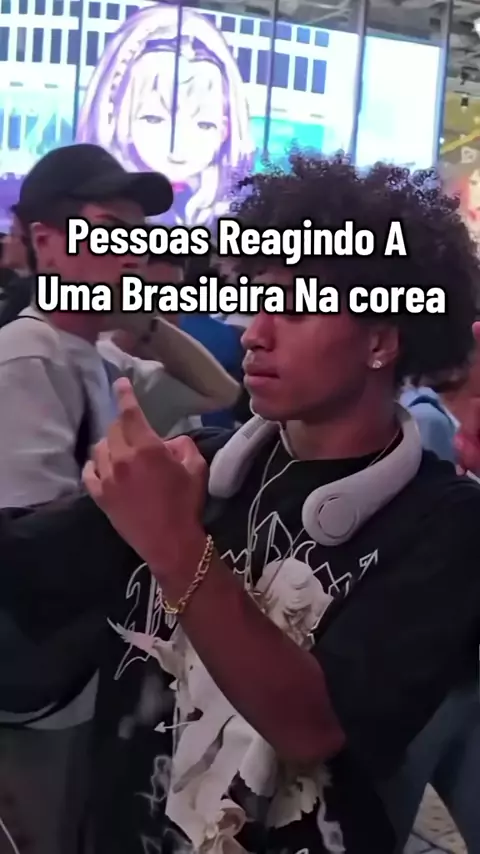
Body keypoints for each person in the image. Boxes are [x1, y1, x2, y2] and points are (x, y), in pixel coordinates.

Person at [3, 154, 480, 854]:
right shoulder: (200, 467)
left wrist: (174, 546)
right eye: (257, 299)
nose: (255, 332)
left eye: (294, 306)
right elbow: (24, 567)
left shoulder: (443, 523)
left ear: (380, 339)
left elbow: (312, 725)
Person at [0, 142, 238, 854]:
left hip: (79, 674)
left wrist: (142, 323)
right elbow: (28, 554)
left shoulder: (98, 356)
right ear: (46, 240)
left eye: (139, 233)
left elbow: (220, 392)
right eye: (109, 228)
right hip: (39, 681)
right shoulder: (30, 355)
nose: (132, 249)